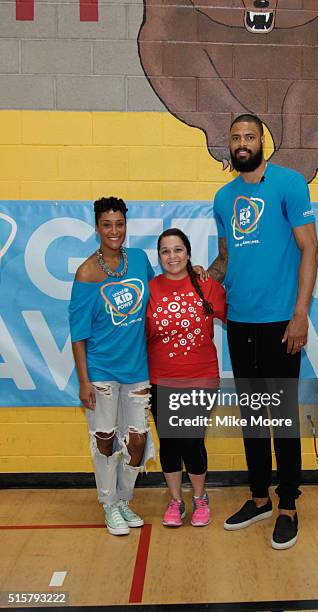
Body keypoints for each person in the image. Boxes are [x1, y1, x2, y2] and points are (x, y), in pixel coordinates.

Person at [208, 114, 318, 549]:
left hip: (281, 323)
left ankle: (288, 504)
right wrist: (202, 277)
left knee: (283, 418)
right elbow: (225, 258)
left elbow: (309, 249)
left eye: (249, 136)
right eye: (235, 137)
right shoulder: (223, 197)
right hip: (239, 322)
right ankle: (259, 499)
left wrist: (300, 314)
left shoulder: (290, 184)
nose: (241, 143)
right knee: (253, 418)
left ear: (262, 142)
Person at [69, 196, 155, 536]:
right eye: (107, 225)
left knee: (138, 440)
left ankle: (124, 499)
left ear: (125, 226)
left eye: (119, 224)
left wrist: (189, 272)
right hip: (101, 370)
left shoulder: (139, 260)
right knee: (105, 438)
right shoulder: (87, 273)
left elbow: (158, 294)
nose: (114, 231)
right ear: (97, 228)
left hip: (137, 370)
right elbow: (78, 333)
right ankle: (108, 504)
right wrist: (83, 381)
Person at [146, 229, 226, 528]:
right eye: (165, 251)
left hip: (201, 378)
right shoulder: (149, 288)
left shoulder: (206, 287)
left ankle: (201, 498)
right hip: (160, 378)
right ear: (159, 256)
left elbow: (242, 315)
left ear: (188, 253)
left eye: (178, 250)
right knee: (169, 443)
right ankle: (176, 500)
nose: (172, 256)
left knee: (191, 442)